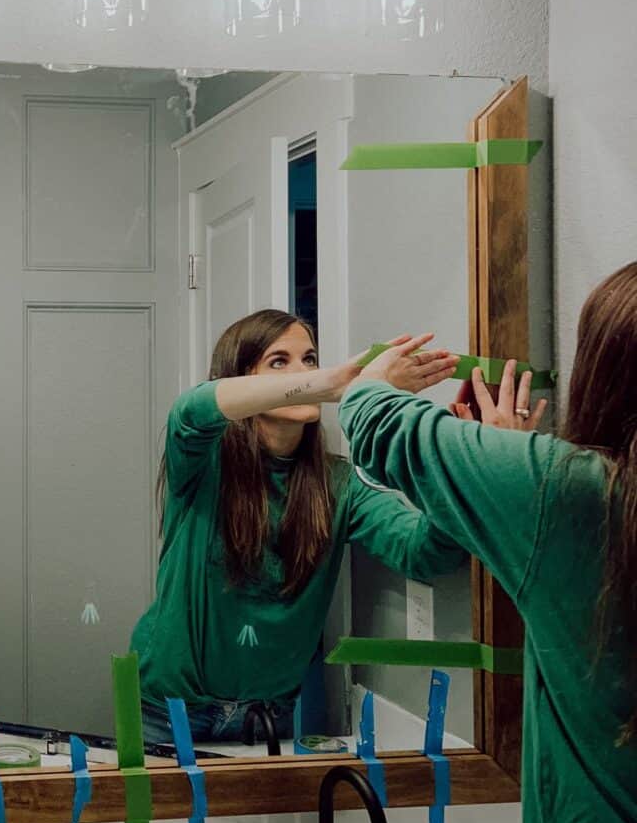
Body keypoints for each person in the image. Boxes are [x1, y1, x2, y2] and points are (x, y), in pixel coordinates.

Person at [340, 262, 637, 823]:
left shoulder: (571, 495)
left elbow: (374, 419)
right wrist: (504, 487)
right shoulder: (563, 498)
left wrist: (373, 376)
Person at [131, 309, 465, 746]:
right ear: (244, 378)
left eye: (309, 359)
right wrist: (332, 384)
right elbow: (192, 410)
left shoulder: (339, 484)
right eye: (279, 361)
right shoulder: (203, 464)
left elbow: (425, 552)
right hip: (169, 709)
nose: (305, 371)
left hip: (268, 715)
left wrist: (460, 462)